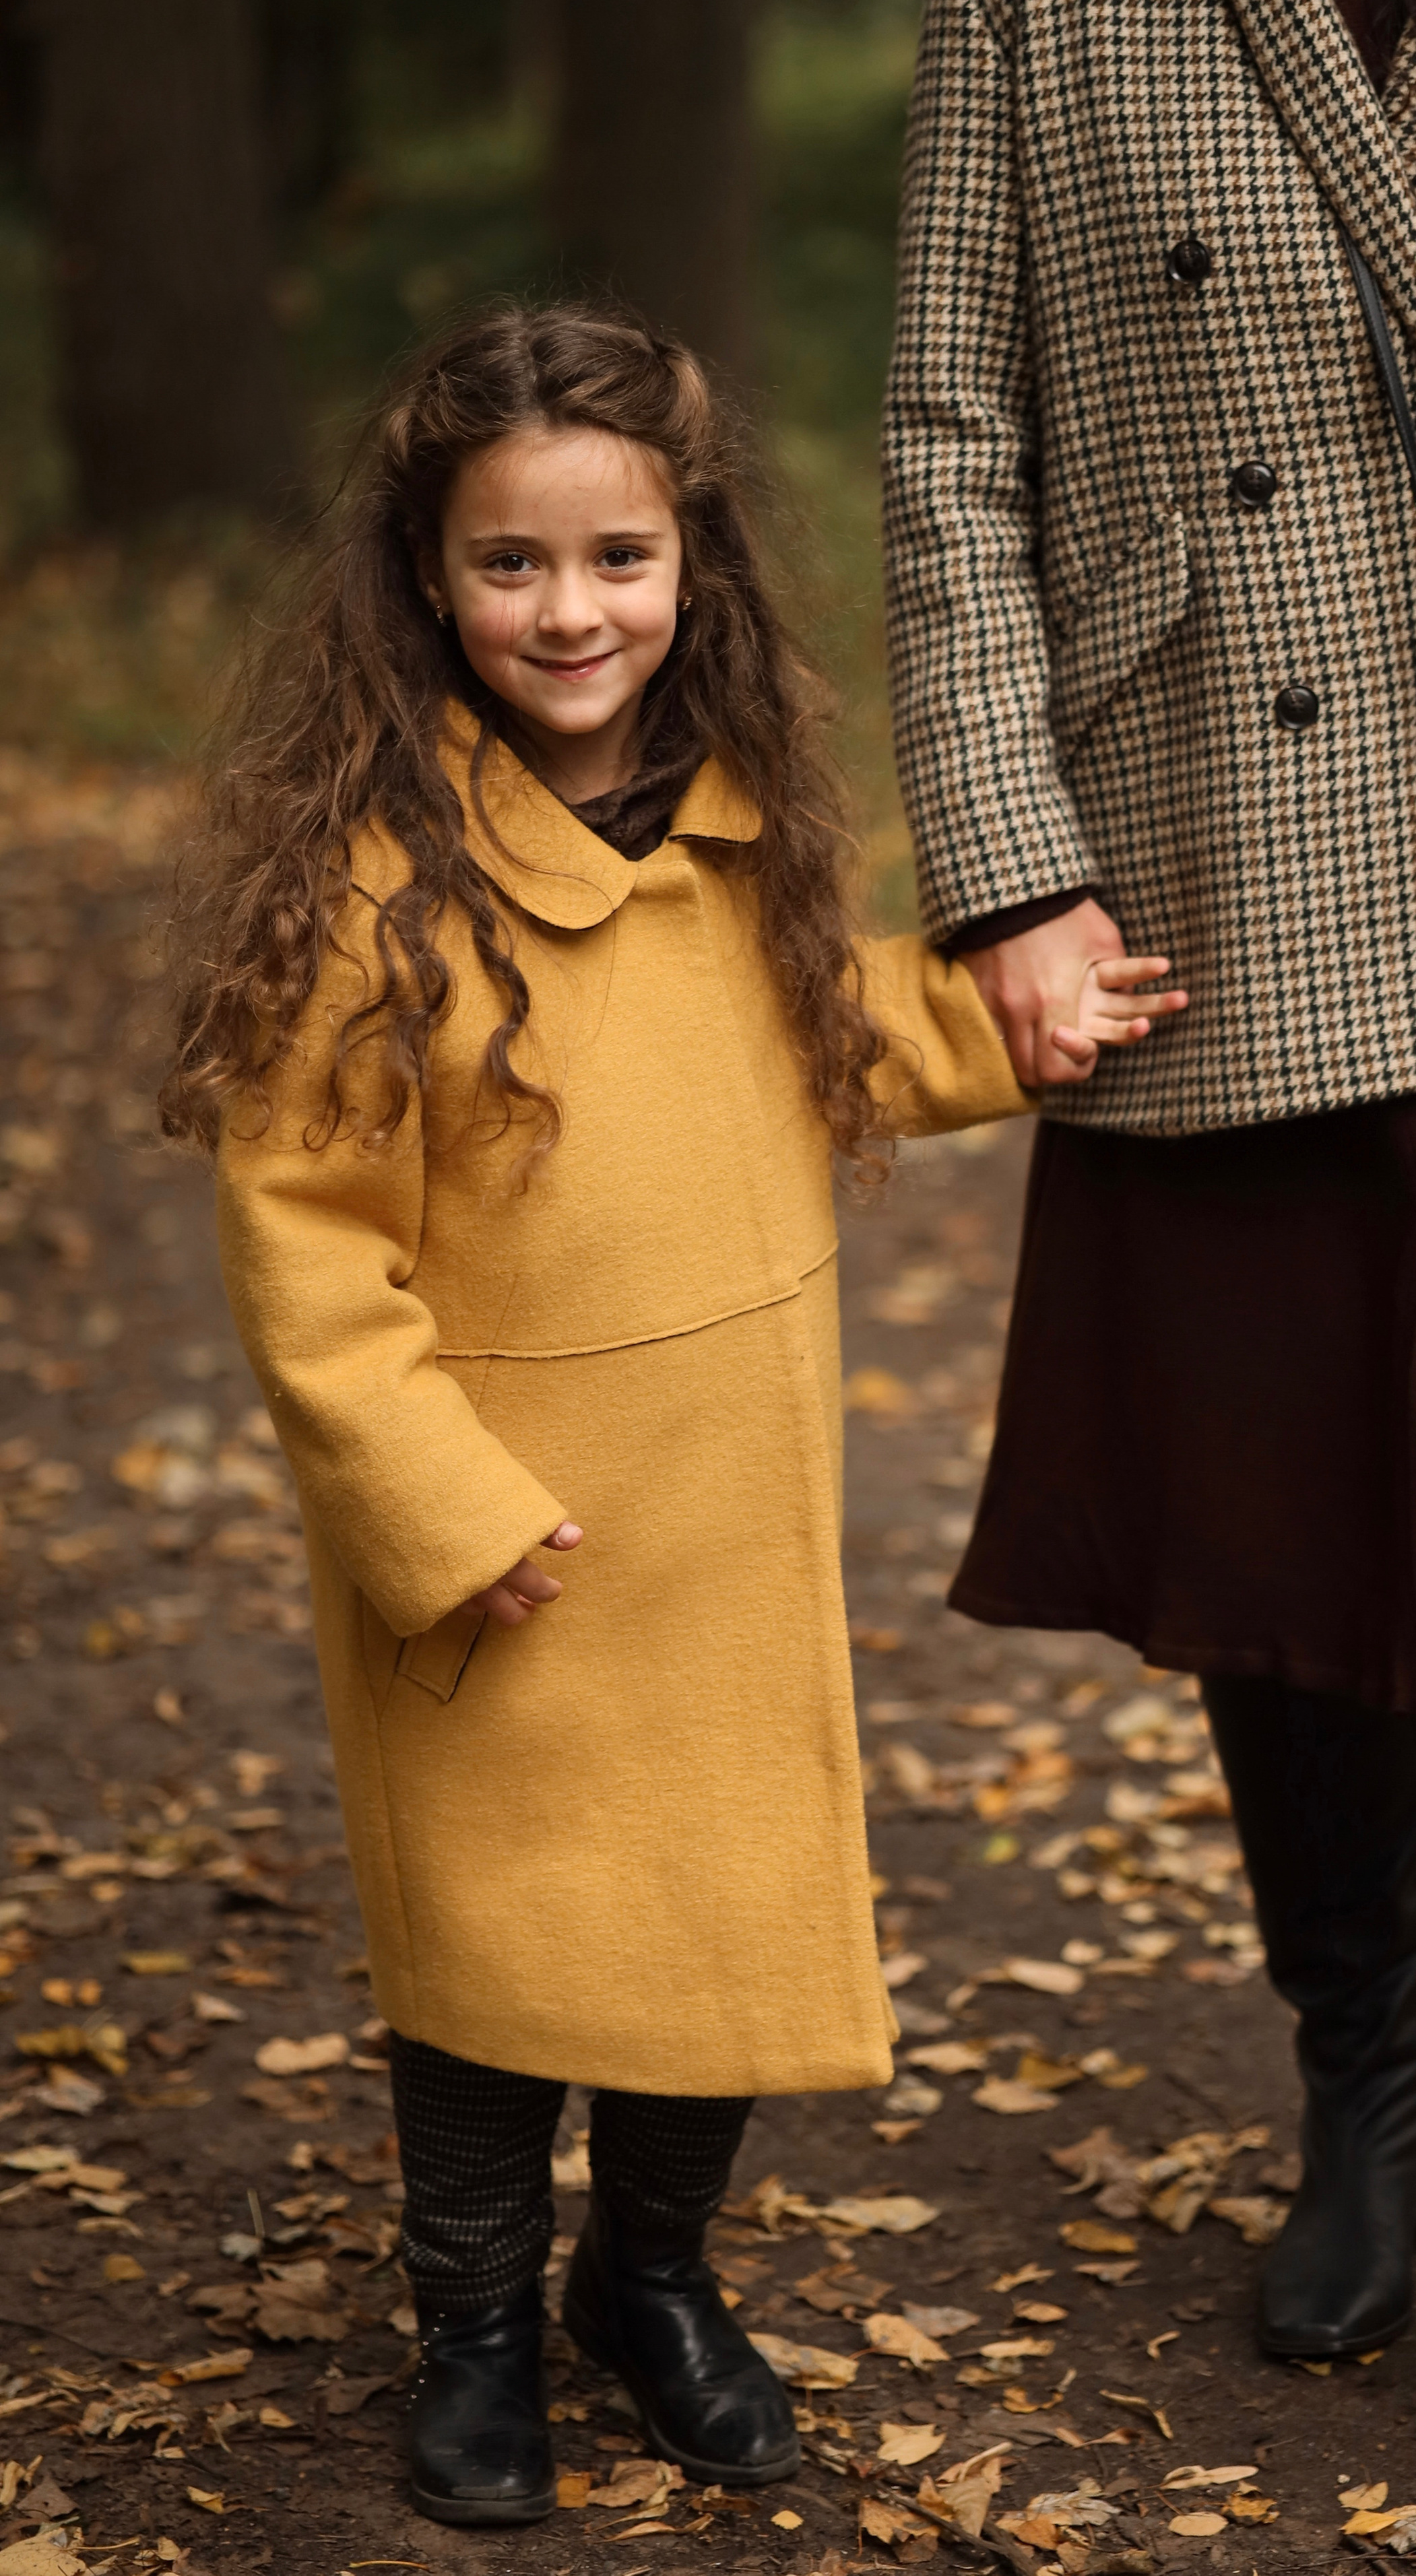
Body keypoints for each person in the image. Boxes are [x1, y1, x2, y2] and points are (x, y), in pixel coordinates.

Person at [159, 303, 1180, 2530]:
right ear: (427, 578)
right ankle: (474, 2330)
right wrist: (436, 1506)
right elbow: (309, 1252)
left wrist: (1019, 1016)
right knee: (498, 1956)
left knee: (715, 1928)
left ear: (689, 562)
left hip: (722, 1526)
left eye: (618, 557)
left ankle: (653, 2283)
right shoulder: (372, 893)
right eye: (511, 563)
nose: (571, 610)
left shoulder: (738, 836)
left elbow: (831, 1035)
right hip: (504, 1547)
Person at [882, 0, 1416, 2566]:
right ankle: (1364, 2090)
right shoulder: (1044, 2)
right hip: (1196, 840)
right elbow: (957, 435)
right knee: (1277, 1488)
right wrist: (1011, 861)